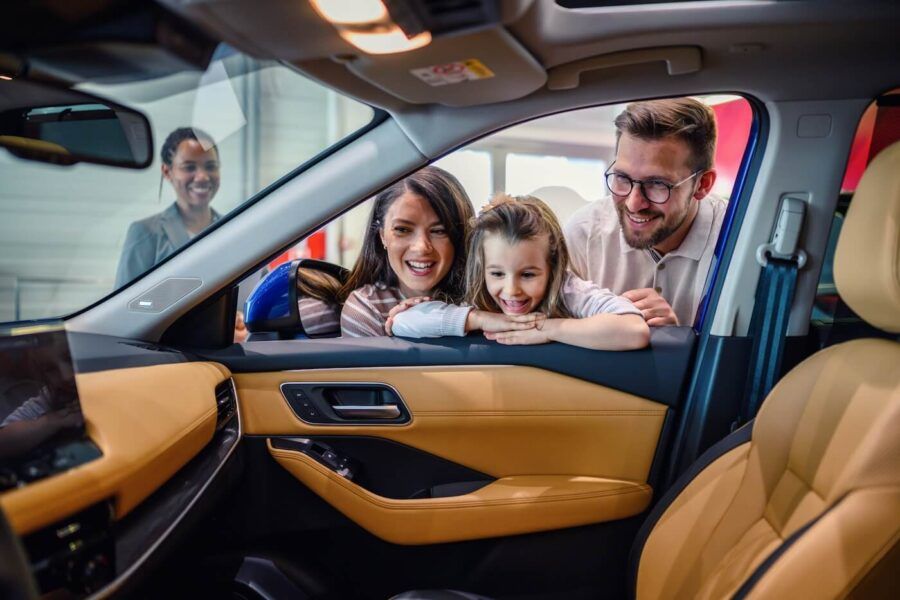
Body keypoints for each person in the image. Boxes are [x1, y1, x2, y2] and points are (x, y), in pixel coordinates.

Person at [389, 194, 649, 351]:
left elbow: (633, 330)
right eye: (497, 274)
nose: (511, 290)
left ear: (552, 266)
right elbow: (401, 323)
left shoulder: (568, 292)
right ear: (482, 270)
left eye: (528, 275)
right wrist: (480, 320)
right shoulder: (480, 300)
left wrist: (547, 329)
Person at [564, 98, 723, 327]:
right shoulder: (584, 234)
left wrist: (675, 337)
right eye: (622, 178)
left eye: (657, 184)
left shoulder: (737, 245)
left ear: (703, 184)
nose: (633, 203)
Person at [340, 167, 538, 337]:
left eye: (439, 231)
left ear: (459, 236)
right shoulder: (367, 307)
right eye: (402, 229)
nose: (421, 247)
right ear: (382, 236)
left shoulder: (496, 293)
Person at [115, 127, 221, 288]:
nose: (202, 177)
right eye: (189, 167)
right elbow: (122, 306)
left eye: (210, 166)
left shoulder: (234, 229)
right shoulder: (145, 234)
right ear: (167, 171)